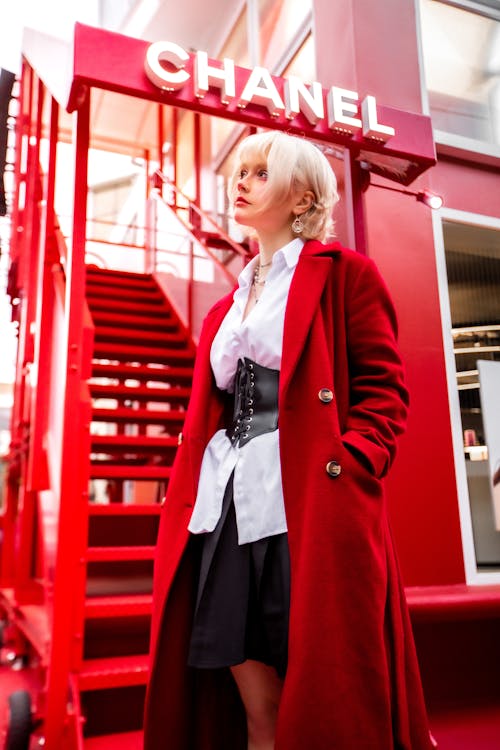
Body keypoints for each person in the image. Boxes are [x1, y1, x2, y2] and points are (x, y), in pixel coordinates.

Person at [144, 130, 434, 750]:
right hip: (225, 508)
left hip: (309, 503)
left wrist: (354, 462)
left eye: (258, 172)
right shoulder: (220, 311)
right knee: (258, 709)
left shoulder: (344, 275)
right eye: (238, 172)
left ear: (302, 198)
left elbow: (385, 391)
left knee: (325, 699)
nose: (239, 182)